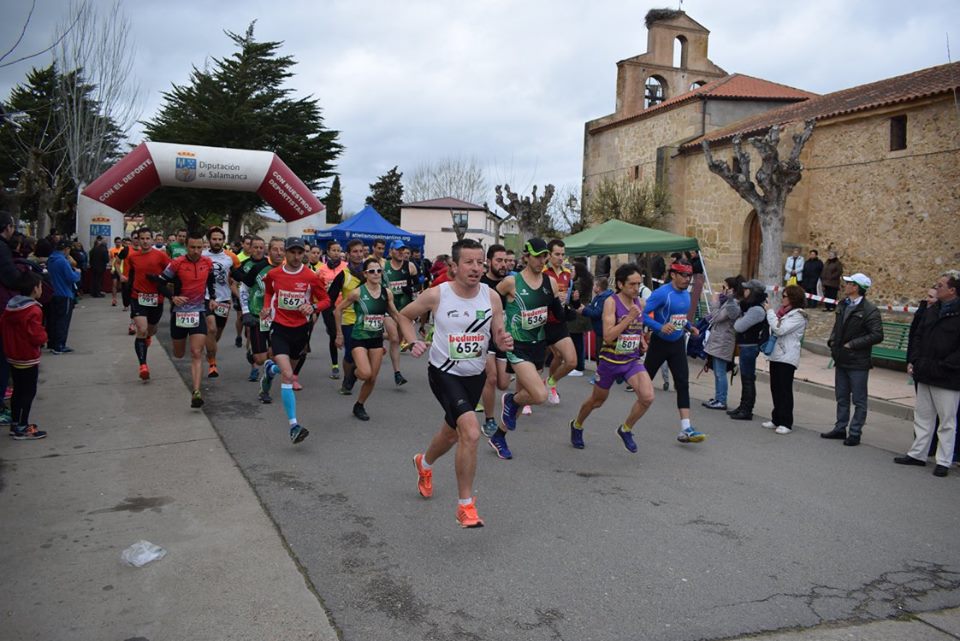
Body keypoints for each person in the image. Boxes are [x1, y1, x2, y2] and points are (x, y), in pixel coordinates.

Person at [399, 239, 513, 528]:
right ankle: (465, 506)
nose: (476, 268)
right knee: (471, 433)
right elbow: (403, 316)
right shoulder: (437, 295)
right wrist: (412, 340)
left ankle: (423, 464)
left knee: (451, 434)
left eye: (480, 262)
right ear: (454, 266)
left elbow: (498, 332)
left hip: (474, 376)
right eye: (469, 262)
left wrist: (502, 339)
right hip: (444, 373)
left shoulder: (492, 297)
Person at [570, 263, 655, 452]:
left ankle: (626, 429)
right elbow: (608, 336)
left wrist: (641, 340)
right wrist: (628, 318)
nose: (636, 289)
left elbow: (637, 327)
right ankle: (577, 424)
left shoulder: (640, 303)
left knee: (647, 397)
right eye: (632, 284)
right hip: (610, 360)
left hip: (631, 360)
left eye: (638, 284)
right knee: (597, 401)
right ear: (620, 284)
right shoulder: (611, 302)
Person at [490, 238, 562, 459]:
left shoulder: (550, 283)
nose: (542, 260)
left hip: (538, 346)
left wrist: (572, 305)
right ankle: (509, 401)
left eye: (544, 256)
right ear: (526, 257)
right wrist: (499, 324)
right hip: (516, 346)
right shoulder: (512, 282)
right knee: (539, 395)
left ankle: (499, 436)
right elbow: (491, 298)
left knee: (523, 396)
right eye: (537, 256)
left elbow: (558, 315)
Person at [258, 237, 331, 443]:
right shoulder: (274, 274)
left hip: (301, 331)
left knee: (285, 370)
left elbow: (326, 300)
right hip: (279, 328)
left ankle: (269, 370)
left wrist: (314, 307)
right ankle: (293, 426)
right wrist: (267, 308)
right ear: (286, 253)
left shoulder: (311, 276)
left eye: (300, 253)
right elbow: (269, 291)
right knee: (289, 376)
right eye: (293, 252)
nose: (297, 256)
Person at [895, 271, 960, 477]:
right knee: (923, 417)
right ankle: (918, 454)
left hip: (948, 376)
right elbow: (919, 336)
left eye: (940, 285)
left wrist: (945, 365)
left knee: (947, 422)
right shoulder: (932, 310)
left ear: (952, 290)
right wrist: (915, 360)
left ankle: (943, 460)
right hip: (925, 371)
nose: (936, 287)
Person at [642, 261, 706, 443]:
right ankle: (628, 423)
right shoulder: (662, 293)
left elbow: (679, 317)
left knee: (682, 383)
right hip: (660, 343)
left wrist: (689, 327)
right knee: (643, 384)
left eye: (689, 276)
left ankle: (686, 428)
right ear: (673, 275)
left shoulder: (686, 294)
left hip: (677, 343)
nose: (687, 279)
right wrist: (659, 327)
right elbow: (641, 314)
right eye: (684, 275)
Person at [334, 256, 402, 421]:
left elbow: (394, 313)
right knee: (365, 373)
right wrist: (339, 333)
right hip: (359, 337)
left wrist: (407, 329)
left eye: (379, 270)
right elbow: (338, 310)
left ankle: (359, 405)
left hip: (376, 339)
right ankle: (352, 375)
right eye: (372, 271)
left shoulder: (387, 293)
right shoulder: (357, 293)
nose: (376, 273)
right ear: (365, 274)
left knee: (372, 377)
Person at [820, 273, 884, 446]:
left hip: (858, 362)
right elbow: (837, 326)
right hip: (841, 358)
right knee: (841, 397)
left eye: (849, 283)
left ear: (856, 287)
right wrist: (833, 341)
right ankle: (840, 428)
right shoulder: (843, 304)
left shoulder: (870, 310)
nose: (845, 285)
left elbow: (877, 335)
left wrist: (853, 344)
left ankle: (855, 432)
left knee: (859, 399)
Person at [156, 231, 215, 407]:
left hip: (198, 312)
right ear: (186, 247)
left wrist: (212, 297)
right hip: (179, 313)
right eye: (192, 247)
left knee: (197, 353)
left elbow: (210, 282)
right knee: (179, 353)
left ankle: (196, 392)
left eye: (199, 247)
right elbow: (159, 282)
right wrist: (172, 297)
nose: (196, 251)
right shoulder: (177, 263)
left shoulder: (207, 263)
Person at [1, 271, 48, 439]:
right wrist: (44, 336)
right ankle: (22, 427)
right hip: (27, 356)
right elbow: (37, 336)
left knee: (18, 391)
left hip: (13, 355)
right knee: (28, 392)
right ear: (35, 289)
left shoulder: (11, 306)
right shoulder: (33, 310)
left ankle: (16, 423)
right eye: (40, 286)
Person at [121, 228, 170, 380]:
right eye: (142, 238)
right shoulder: (132, 257)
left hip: (157, 298)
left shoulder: (161, 256)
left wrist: (158, 279)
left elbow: (171, 273)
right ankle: (143, 366)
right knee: (141, 330)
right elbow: (128, 276)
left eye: (148, 238)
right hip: (138, 297)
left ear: (152, 239)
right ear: (138, 240)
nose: (145, 241)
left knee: (151, 329)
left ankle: (147, 337)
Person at [761, 285, 809, 434]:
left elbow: (779, 329)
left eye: (785, 296)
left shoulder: (798, 316)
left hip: (787, 357)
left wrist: (769, 311)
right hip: (777, 355)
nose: (782, 298)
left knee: (784, 390)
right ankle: (776, 419)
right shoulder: (783, 313)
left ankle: (786, 422)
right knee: (775, 388)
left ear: (793, 298)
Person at [233, 237, 280, 385]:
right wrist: (246, 312)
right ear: (270, 251)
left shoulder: (288, 268)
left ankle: (266, 383)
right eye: (275, 249)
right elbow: (243, 288)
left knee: (275, 354)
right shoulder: (258, 267)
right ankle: (253, 356)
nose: (279, 253)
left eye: (282, 250)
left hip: (279, 318)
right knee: (260, 359)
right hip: (258, 315)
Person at [540, 239, 580, 405]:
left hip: (559, 321)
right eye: (557, 254)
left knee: (571, 361)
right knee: (537, 362)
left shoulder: (567, 274)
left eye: (563, 254)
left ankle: (550, 383)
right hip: (541, 322)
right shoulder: (541, 272)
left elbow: (568, 298)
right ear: (549, 255)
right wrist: (553, 297)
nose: (560, 258)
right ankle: (527, 394)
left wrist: (573, 299)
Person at [479, 244, 512, 437]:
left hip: (504, 337)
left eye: (505, 261)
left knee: (503, 384)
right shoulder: (481, 284)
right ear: (489, 261)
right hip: (485, 338)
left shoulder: (512, 283)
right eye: (498, 260)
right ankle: (490, 420)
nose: (503, 264)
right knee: (490, 379)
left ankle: (505, 401)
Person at [330, 239, 367, 395]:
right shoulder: (343, 275)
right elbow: (329, 298)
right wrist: (334, 323)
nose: (358, 255)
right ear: (349, 254)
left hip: (368, 321)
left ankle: (355, 375)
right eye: (355, 252)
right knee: (350, 355)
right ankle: (347, 378)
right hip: (349, 320)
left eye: (361, 251)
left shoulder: (371, 272)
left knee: (366, 354)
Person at [202, 227, 240, 378]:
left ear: (223, 241)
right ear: (209, 240)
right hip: (205, 297)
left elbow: (239, 274)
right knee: (210, 329)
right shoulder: (202, 255)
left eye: (219, 239)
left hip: (224, 298)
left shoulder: (231, 257)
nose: (217, 242)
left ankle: (210, 351)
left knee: (216, 334)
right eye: (214, 239)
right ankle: (212, 363)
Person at [702, 276, 744, 411]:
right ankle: (718, 397)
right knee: (717, 372)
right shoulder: (728, 302)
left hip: (724, 341)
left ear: (732, 289)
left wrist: (714, 302)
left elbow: (716, 317)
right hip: (719, 340)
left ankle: (722, 400)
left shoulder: (733, 304)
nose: (722, 290)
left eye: (725, 287)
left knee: (720, 372)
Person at [729, 279, 768, 421]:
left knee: (748, 378)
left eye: (747, 289)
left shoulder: (756, 309)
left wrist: (740, 319)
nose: (744, 292)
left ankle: (747, 409)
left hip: (750, 347)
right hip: (745, 346)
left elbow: (738, 326)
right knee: (745, 378)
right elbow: (734, 315)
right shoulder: (749, 307)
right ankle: (742, 406)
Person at [383, 239, 418, 386]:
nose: (401, 252)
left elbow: (417, 284)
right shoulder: (383, 266)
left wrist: (412, 290)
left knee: (398, 338)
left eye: (403, 250)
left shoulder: (410, 266)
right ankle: (397, 373)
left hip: (405, 310)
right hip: (389, 309)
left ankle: (377, 335)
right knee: (395, 340)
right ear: (391, 251)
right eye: (397, 250)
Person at [316, 240, 346, 380]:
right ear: (328, 252)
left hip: (345, 305)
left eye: (338, 250)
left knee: (346, 334)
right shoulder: (321, 269)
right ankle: (335, 365)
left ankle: (349, 361)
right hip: (328, 306)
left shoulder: (346, 267)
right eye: (333, 250)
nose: (336, 253)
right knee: (334, 335)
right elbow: (317, 287)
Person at [46, 239, 81, 354]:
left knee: (54, 320)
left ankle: (52, 343)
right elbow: (71, 277)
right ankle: (60, 345)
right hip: (64, 293)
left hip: (53, 293)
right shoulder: (62, 261)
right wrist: (78, 272)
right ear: (66, 249)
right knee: (63, 321)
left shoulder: (51, 259)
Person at [567, 258, 593, 377]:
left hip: (577, 314)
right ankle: (579, 364)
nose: (571, 272)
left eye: (573, 270)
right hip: (584, 313)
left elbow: (571, 298)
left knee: (576, 341)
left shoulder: (577, 284)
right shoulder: (588, 280)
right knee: (579, 341)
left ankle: (578, 366)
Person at [685, 249, 705, 322]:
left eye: (693, 253)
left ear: (697, 254)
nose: (692, 254)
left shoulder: (699, 261)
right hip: (691, 283)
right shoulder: (692, 260)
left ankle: (697, 316)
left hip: (697, 282)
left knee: (696, 300)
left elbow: (694, 268)